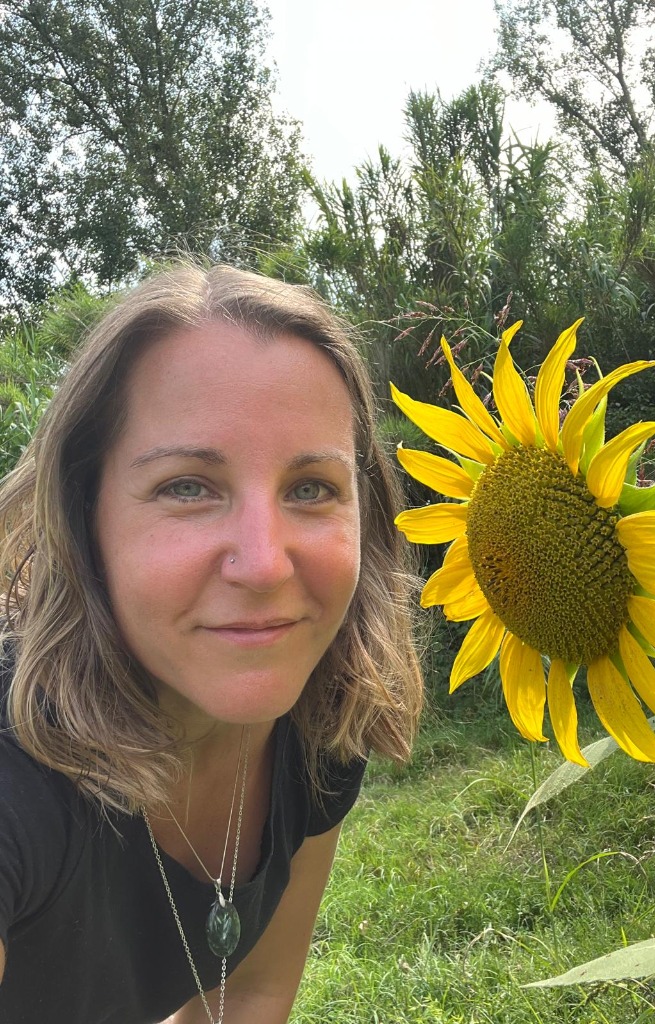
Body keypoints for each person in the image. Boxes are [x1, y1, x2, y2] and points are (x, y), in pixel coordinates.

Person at [0, 264, 423, 1023]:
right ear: (83, 515)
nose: (264, 564)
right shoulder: (16, 784)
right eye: (188, 486)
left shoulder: (322, 722)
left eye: (310, 488)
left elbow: (248, 997)